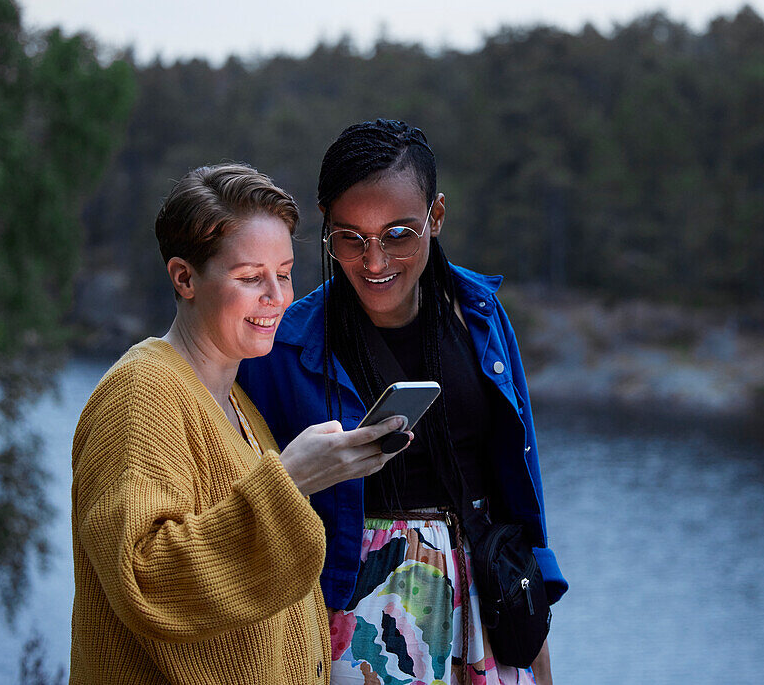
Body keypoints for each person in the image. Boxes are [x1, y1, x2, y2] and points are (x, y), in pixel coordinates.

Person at [239, 120, 567, 685]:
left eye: (398, 234)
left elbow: (518, 476)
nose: (373, 260)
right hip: (348, 613)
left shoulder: (479, 314)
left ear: (435, 217)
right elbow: (247, 490)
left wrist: (536, 621)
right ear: (325, 225)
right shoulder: (284, 345)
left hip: (483, 598)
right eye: (349, 236)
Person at [70, 164, 409, 684]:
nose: (276, 296)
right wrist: (291, 481)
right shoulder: (141, 393)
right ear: (184, 277)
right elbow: (143, 580)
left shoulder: (236, 401)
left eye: (285, 272)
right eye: (251, 278)